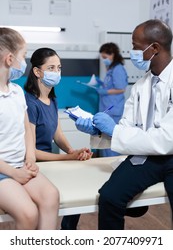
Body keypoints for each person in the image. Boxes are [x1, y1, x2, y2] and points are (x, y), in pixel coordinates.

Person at [75, 19, 173, 229]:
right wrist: (101, 131)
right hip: (147, 155)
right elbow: (127, 125)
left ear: (154, 48)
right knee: (109, 197)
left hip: (171, 155)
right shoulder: (140, 86)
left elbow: (167, 139)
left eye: (136, 46)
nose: (132, 52)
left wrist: (116, 131)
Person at [24, 47, 93, 230]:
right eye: (51, 68)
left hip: (50, 162)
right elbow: (30, 151)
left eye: (59, 68)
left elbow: (58, 134)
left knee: (78, 188)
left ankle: (67, 232)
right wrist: (66, 157)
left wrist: (73, 151)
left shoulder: (52, 99)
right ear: (37, 72)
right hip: (33, 164)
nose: (57, 72)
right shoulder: (29, 104)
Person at [0, 27, 59, 230]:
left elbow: (26, 128)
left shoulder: (16, 92)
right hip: (2, 170)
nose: (24, 62)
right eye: (23, 56)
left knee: (51, 196)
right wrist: (13, 173)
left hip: (20, 164)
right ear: (9, 59)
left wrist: (30, 159)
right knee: (28, 213)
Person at [95, 42, 128, 156]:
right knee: (105, 140)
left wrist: (105, 91)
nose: (104, 60)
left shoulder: (118, 69)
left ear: (113, 54)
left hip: (113, 109)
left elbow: (121, 88)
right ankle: (106, 162)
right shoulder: (111, 69)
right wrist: (102, 84)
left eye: (105, 57)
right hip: (107, 107)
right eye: (102, 57)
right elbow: (111, 85)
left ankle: (112, 165)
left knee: (111, 140)